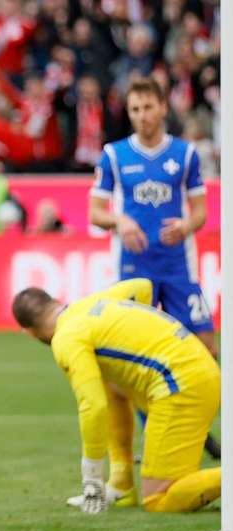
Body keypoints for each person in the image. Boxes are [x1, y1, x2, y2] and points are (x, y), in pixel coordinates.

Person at [88, 76, 220, 459]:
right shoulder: (114, 155)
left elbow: (200, 212)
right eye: (135, 109)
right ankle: (157, 432)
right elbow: (96, 213)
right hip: (133, 271)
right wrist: (120, 222)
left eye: (148, 107)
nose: (142, 116)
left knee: (205, 349)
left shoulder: (186, 154)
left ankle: (199, 427)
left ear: (163, 107)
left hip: (178, 267)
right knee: (138, 358)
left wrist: (185, 226)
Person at [11, 279, 220, 514]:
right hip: (198, 369)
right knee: (108, 382)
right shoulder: (92, 303)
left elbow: (93, 406)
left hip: (181, 386)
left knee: (158, 500)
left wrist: (91, 477)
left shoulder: (66, 339)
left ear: (28, 332)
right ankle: (122, 485)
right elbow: (143, 287)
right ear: (56, 302)